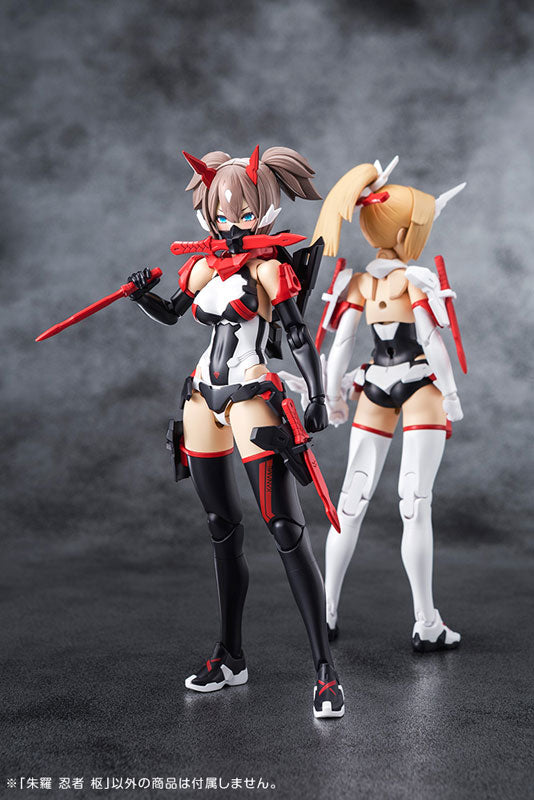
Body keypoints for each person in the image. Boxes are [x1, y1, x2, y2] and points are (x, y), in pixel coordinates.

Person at [127, 146, 344, 717]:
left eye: (244, 214)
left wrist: (318, 395)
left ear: (264, 210)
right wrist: (141, 295)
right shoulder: (202, 267)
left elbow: (298, 337)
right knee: (221, 527)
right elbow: (173, 312)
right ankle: (230, 656)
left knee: (286, 529)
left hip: (250, 392)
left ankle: (325, 672)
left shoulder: (271, 268)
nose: (232, 224)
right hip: (202, 394)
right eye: (223, 215)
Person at [311, 157, 465, 651]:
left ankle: (326, 613)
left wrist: (332, 396)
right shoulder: (413, 280)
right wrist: (452, 395)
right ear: (405, 235)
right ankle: (426, 623)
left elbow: (339, 346)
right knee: (413, 504)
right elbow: (433, 343)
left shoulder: (357, 283)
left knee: (350, 502)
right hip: (419, 385)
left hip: (375, 385)